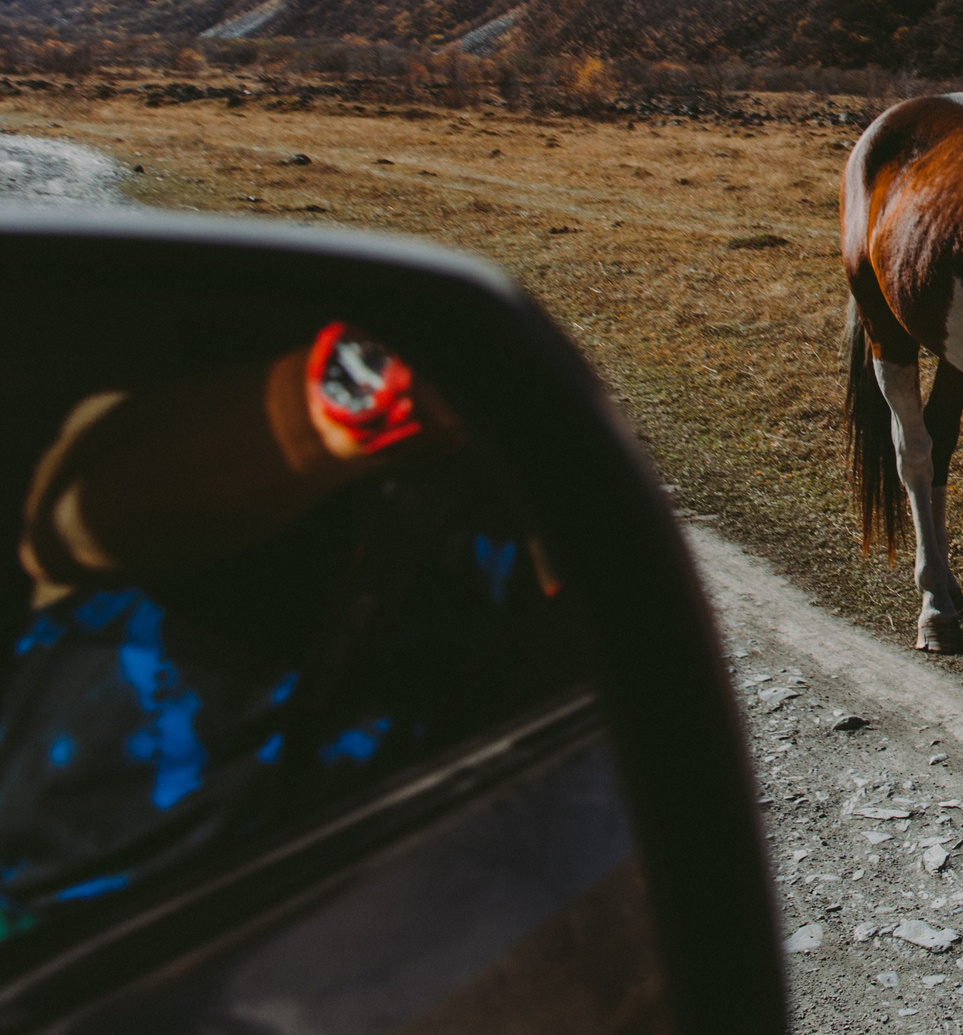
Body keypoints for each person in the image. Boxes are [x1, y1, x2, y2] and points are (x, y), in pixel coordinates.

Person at [0, 325, 579, 952]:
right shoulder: (264, 318)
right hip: (46, 917)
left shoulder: (546, 466)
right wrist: (368, 394)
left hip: (334, 941)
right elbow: (66, 526)